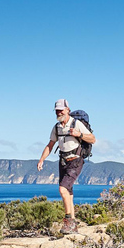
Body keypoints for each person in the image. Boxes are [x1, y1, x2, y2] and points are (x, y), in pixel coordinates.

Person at [38, 99, 96, 234]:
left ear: (67, 110)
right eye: (57, 111)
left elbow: (93, 139)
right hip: (63, 161)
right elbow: (50, 145)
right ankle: (73, 225)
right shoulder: (57, 127)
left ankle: (68, 221)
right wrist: (41, 160)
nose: (59, 113)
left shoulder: (77, 124)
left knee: (63, 189)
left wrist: (79, 134)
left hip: (76, 161)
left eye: (61, 110)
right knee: (68, 193)